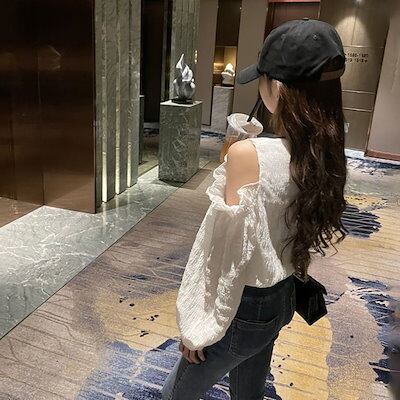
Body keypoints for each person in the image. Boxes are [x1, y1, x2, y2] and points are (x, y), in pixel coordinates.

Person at [162, 18, 348, 400]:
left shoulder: (250, 154)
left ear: (276, 86)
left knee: (173, 395)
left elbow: (223, 256)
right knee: (248, 392)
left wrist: (197, 329)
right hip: (282, 297)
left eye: (261, 78)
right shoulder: (322, 155)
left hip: (241, 307)